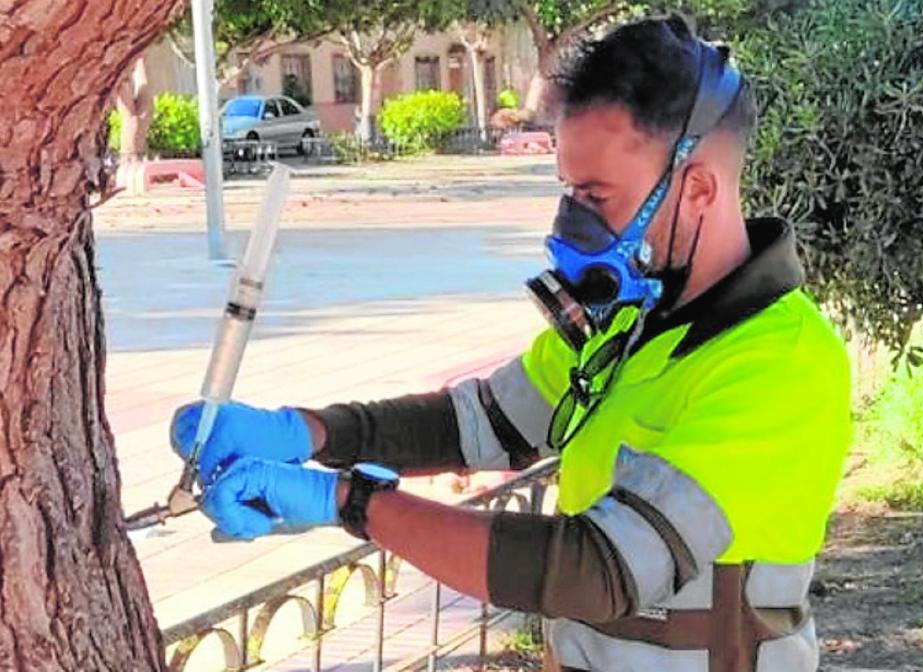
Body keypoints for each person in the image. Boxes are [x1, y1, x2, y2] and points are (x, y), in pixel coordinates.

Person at [170, 14, 852, 672]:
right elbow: (475, 423)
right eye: (568, 193)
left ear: (698, 188)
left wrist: (349, 503)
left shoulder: (781, 362)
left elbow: (597, 570)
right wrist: (305, 433)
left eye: (598, 197)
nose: (569, 226)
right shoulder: (627, 323)